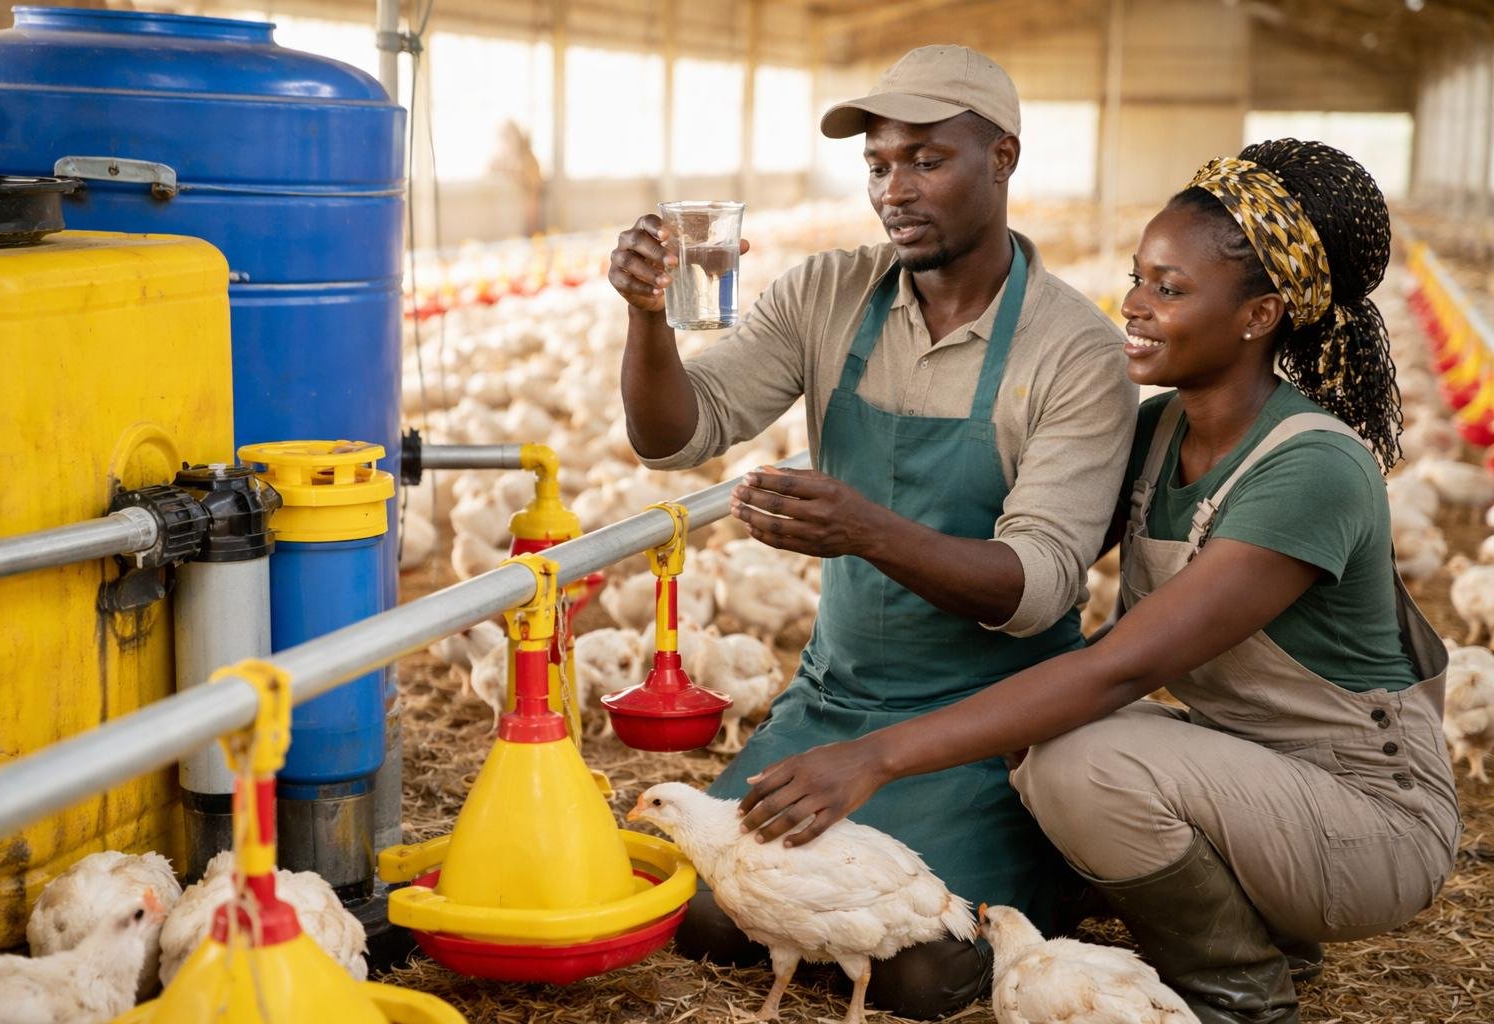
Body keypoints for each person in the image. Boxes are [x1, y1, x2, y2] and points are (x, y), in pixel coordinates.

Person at [734, 138, 1462, 1024]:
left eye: (1171, 288)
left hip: (1367, 814)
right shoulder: (1158, 434)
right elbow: (1033, 555)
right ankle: (1257, 918)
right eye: (1139, 277)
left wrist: (874, 757)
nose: (1135, 306)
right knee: (1035, 729)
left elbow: (1118, 668)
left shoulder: (1310, 469)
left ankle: (1241, 994)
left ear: (1260, 314)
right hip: (1249, 775)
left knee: (1079, 755)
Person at [607, 45, 1138, 1017]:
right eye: (879, 164)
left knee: (923, 969)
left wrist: (866, 529)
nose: (894, 188)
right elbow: (677, 434)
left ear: (1003, 159)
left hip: (989, 720)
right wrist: (650, 319)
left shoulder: (1074, 350)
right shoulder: (828, 295)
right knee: (696, 907)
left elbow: (1036, 590)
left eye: (927, 160)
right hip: (837, 699)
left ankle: (1050, 861)